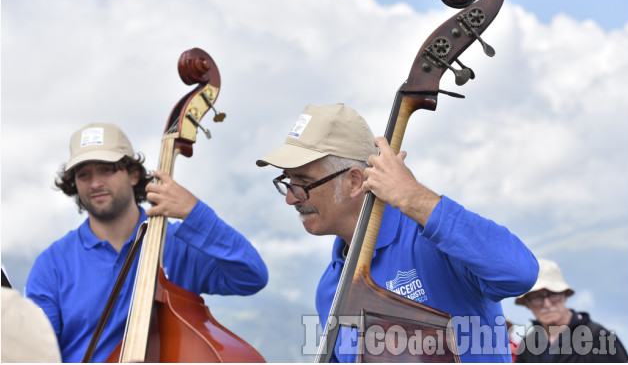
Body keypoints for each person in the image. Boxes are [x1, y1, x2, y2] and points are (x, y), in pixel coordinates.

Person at [256, 103, 539, 362]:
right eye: (287, 182)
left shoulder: (434, 241)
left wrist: (413, 196)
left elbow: (519, 273)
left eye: (303, 183)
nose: (290, 198)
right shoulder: (330, 287)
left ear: (355, 181)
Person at [25, 123, 268, 362]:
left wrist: (195, 213)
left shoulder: (177, 244)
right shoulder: (52, 264)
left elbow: (251, 276)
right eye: (83, 175)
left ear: (132, 174)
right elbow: (35, 354)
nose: (95, 183)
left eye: (106, 169)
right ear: (74, 184)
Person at [514, 258, 628, 362]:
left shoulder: (599, 338)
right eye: (536, 297)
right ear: (527, 304)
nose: (547, 304)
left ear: (565, 296)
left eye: (553, 294)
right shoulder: (527, 347)